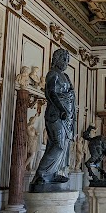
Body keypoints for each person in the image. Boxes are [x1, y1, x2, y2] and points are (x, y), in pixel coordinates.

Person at [32, 49, 75, 186]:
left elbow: (71, 96)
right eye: (64, 60)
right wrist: (61, 108)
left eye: (67, 60)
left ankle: (53, 173)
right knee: (58, 145)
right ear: (57, 59)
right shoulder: (53, 74)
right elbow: (50, 93)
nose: (66, 63)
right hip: (55, 114)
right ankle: (41, 174)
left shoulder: (66, 77)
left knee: (61, 145)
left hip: (66, 116)